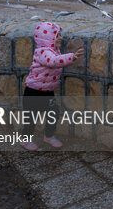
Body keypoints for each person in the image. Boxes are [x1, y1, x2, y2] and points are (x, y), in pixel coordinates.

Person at [19, 21, 84, 151]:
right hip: (33, 92)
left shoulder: (54, 51)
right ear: (47, 38)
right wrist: (72, 57)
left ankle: (48, 136)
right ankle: (24, 139)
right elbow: (53, 62)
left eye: (60, 35)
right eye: (57, 35)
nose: (60, 38)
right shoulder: (42, 52)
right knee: (31, 118)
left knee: (53, 112)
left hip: (47, 91)